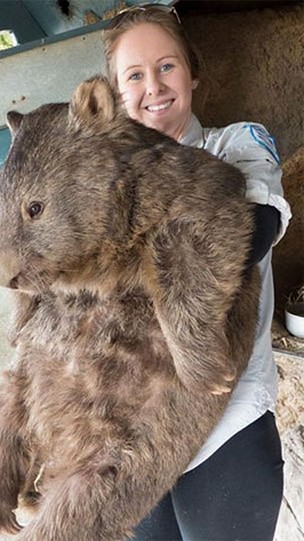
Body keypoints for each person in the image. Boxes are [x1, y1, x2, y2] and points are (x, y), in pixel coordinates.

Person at [102, 5, 291, 540]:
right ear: (115, 94)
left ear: (192, 73)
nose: (153, 86)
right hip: (133, 438)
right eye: (134, 75)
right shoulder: (106, 181)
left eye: (167, 67)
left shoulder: (237, 145)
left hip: (225, 428)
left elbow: (252, 229)